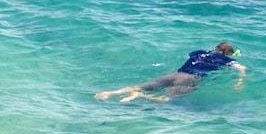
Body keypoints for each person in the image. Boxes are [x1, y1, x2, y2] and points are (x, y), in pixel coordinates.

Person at [95, 42, 247, 102]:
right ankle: (139, 96)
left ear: (215, 48)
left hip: (175, 74)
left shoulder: (199, 53)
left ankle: (110, 93)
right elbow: (242, 68)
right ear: (227, 53)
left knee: (141, 86)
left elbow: (191, 56)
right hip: (189, 79)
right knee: (165, 99)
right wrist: (239, 82)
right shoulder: (225, 59)